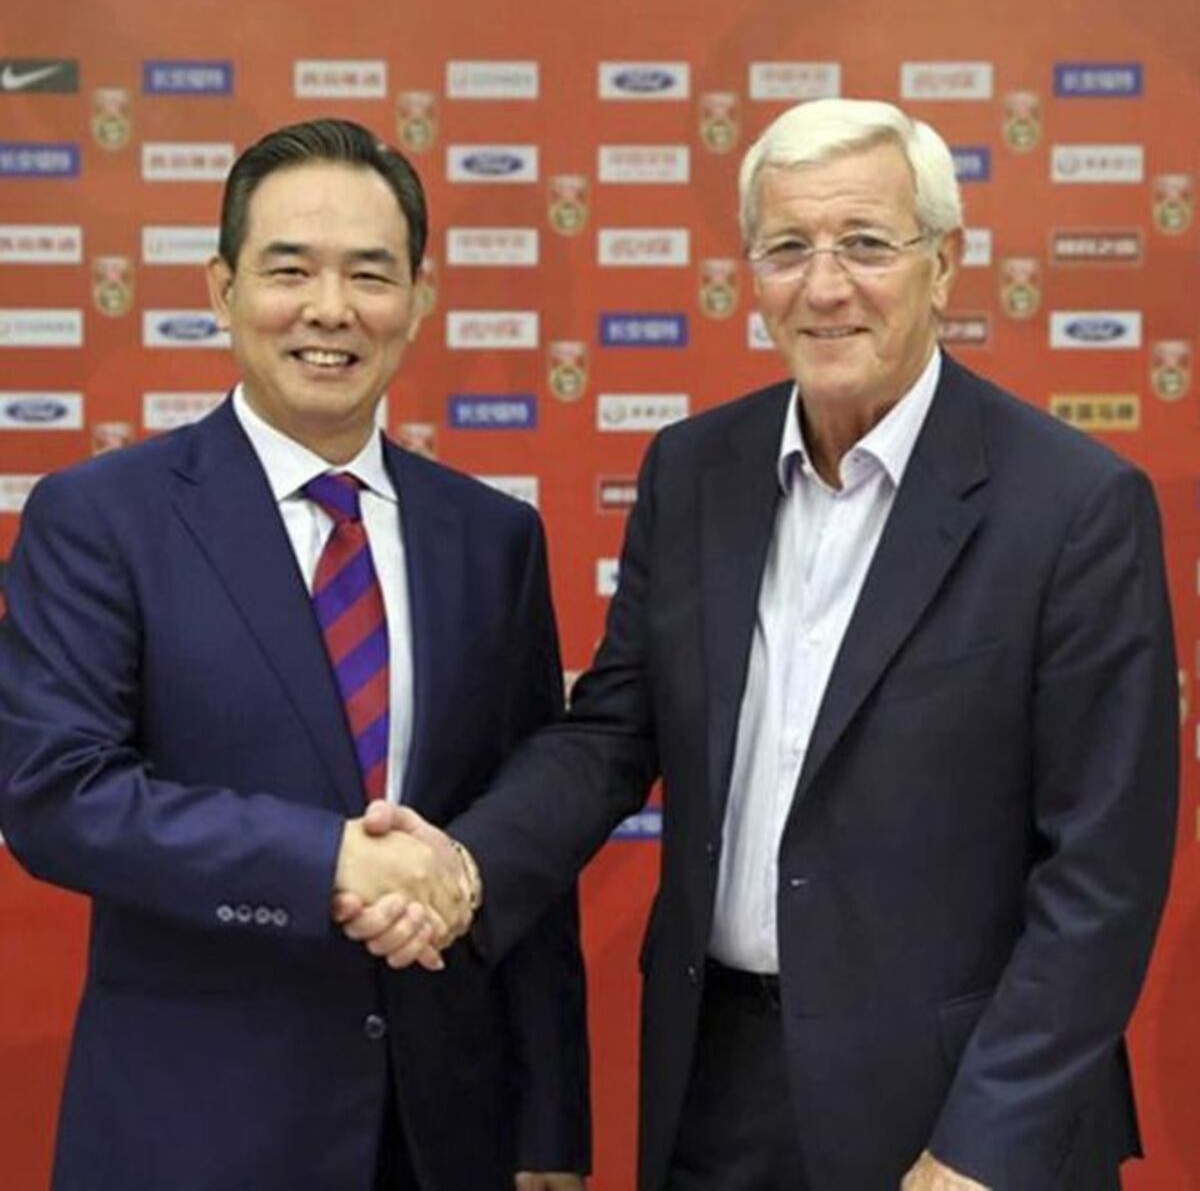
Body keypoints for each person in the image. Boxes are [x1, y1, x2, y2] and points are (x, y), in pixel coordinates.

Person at [341, 99, 1179, 1191]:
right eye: (787, 249)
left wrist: (985, 1146)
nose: (824, 286)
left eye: (866, 244)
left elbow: (1103, 871)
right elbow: (610, 735)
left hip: (958, 1108)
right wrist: (463, 866)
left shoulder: (1073, 505)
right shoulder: (694, 471)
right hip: (719, 1086)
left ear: (944, 265)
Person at [0, 118, 589, 1191]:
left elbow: (523, 836)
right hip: (194, 1134)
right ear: (222, 291)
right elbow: (56, 796)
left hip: (442, 1138)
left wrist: (548, 1129)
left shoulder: (492, 539)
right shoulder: (103, 518)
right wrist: (328, 861)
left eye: (370, 273)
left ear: (419, 298)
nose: (330, 309)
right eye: (289, 271)